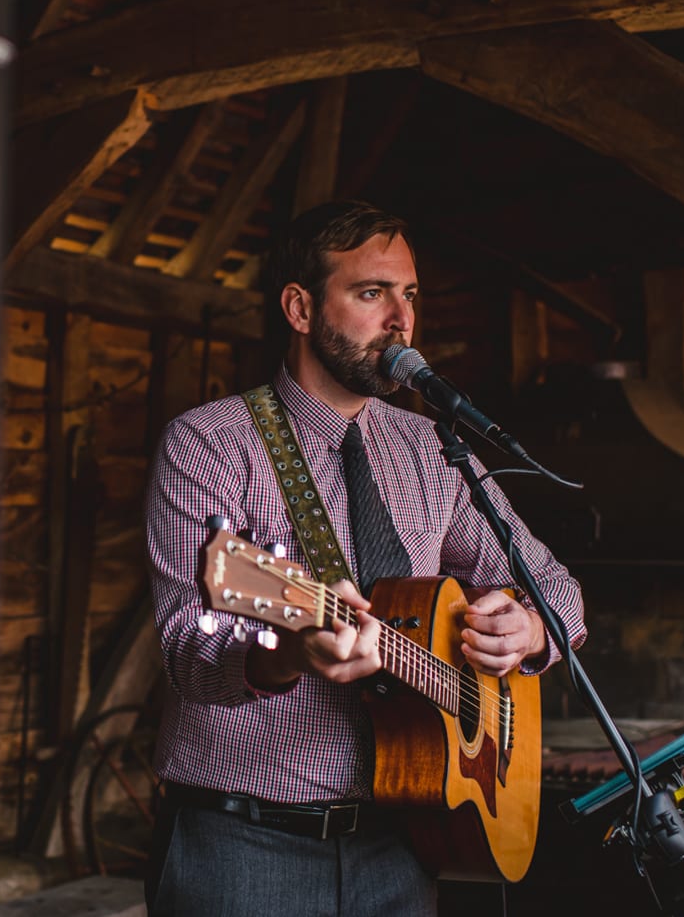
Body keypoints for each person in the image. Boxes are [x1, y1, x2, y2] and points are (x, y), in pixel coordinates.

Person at [143, 200, 587, 916]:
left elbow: (558, 588)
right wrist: (283, 653)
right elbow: (185, 646)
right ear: (299, 307)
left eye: (410, 295)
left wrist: (531, 629)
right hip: (242, 848)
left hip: (403, 843)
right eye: (372, 292)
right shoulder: (209, 444)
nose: (402, 320)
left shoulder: (432, 450)